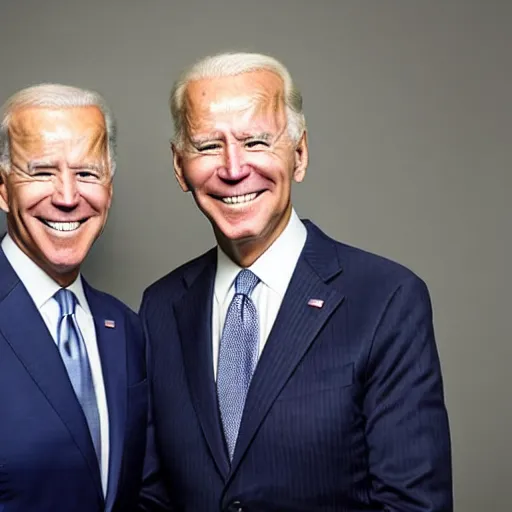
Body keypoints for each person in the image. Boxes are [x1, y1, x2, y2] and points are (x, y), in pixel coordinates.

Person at [139, 52, 453, 511]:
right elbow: (153, 496)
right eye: (208, 146)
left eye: (256, 142)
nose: (232, 168)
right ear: (179, 165)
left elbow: (413, 505)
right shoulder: (160, 308)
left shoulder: (386, 299)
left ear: (299, 153)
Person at [0, 84, 151, 511]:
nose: (67, 197)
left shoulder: (127, 328)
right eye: (42, 172)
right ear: (3, 188)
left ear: (109, 188)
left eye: (87, 173)